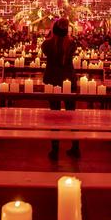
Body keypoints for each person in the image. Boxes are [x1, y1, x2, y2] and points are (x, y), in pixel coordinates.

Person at [42, 18, 79, 160]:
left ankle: (55, 149)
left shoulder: (47, 44)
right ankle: (75, 147)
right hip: (69, 79)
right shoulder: (72, 44)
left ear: (54, 30)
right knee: (72, 115)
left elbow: (47, 54)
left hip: (52, 80)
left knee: (54, 116)